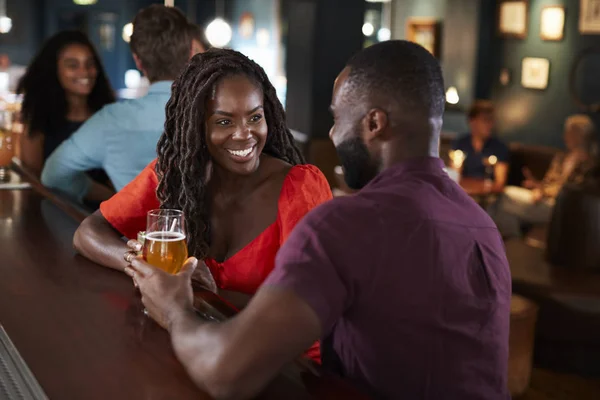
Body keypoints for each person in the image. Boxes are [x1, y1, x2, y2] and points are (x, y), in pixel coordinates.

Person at [123, 41, 511, 399]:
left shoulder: (344, 224)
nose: (332, 132)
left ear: (374, 124)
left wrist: (174, 306)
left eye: (337, 118)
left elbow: (225, 374)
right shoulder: (484, 228)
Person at [73, 48, 332, 362]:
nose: (244, 135)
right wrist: (143, 266)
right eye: (224, 121)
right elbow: (88, 233)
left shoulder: (300, 186)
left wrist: (194, 299)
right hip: (197, 346)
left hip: (286, 363)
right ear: (197, 126)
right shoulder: (173, 176)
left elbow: (304, 309)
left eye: (255, 117)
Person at [41, 5, 196, 204]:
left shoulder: (110, 120)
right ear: (191, 52)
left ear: (138, 61)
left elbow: (53, 174)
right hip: (210, 234)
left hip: (133, 234)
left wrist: (114, 200)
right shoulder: (218, 113)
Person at [16, 31, 115, 183]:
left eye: (90, 64)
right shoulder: (38, 118)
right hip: (56, 206)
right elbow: (34, 179)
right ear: (53, 70)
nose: (84, 72)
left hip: (112, 206)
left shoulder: (109, 115)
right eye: (72, 65)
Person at [493, 114, 597, 237]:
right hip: (543, 200)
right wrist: (536, 185)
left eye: (570, 132)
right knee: (504, 212)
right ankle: (514, 245)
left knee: (505, 195)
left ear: (581, 136)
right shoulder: (561, 157)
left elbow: (572, 191)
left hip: (560, 207)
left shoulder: (589, 164)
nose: (565, 136)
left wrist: (543, 192)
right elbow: (548, 182)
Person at [452, 100, 509, 190]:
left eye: (491, 120)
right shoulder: (461, 143)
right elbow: (455, 174)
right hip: (464, 193)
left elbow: (499, 183)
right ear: (472, 122)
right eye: (485, 120)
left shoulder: (499, 147)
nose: (489, 125)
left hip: (488, 198)